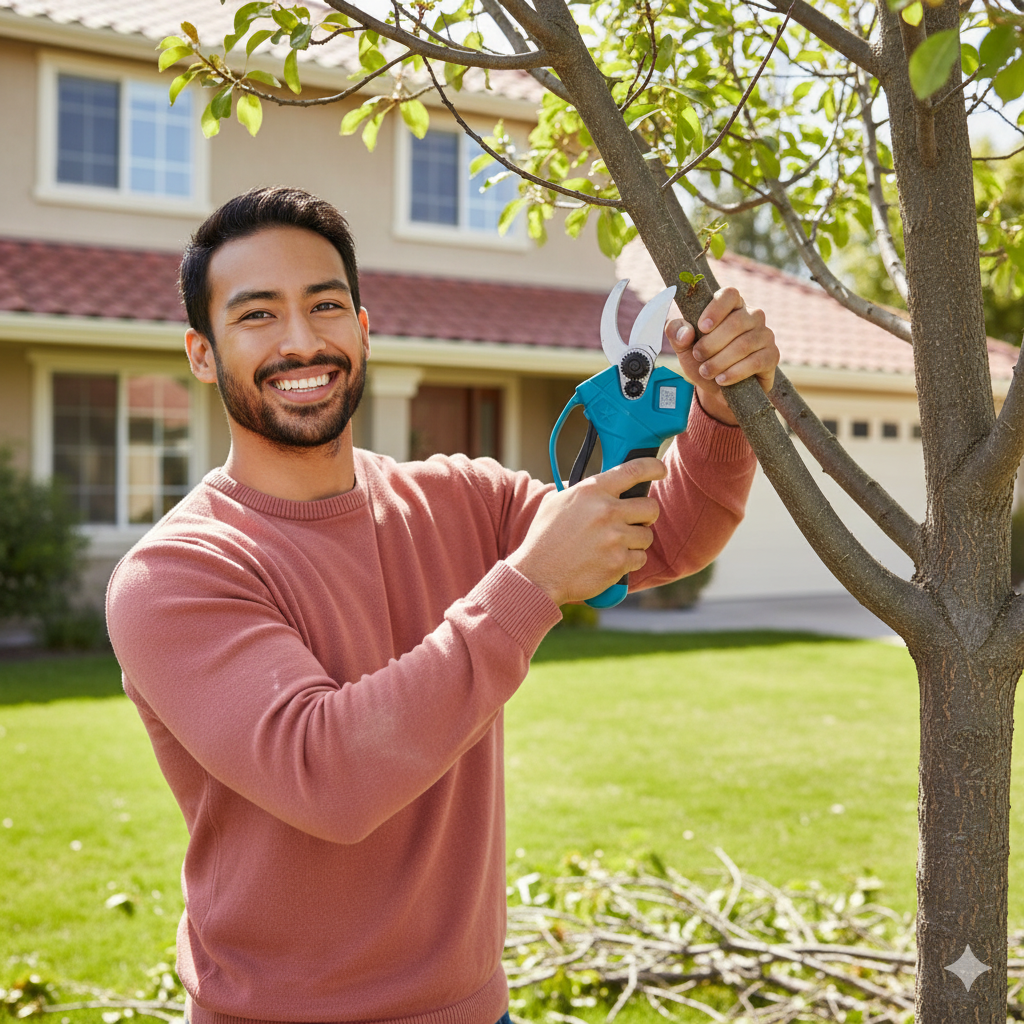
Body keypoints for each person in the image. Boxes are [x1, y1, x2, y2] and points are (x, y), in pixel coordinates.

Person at [105, 186, 778, 1024]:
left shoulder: (461, 499)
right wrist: (528, 588)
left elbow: (666, 536)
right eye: (257, 316)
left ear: (364, 326)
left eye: (326, 306)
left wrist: (720, 409)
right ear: (201, 354)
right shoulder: (175, 573)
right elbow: (329, 777)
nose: (302, 340)